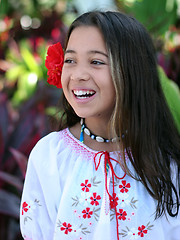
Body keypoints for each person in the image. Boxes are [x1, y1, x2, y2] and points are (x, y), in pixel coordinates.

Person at [20, 11, 180, 240]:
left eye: (96, 62)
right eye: (70, 60)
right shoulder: (50, 156)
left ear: (132, 71)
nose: (77, 75)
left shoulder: (168, 164)